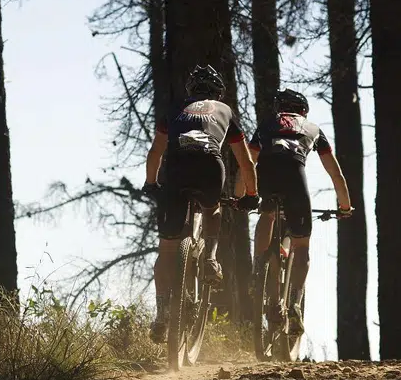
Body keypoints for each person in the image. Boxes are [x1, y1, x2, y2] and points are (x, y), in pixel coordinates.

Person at [142, 65, 259, 343]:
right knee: (213, 207)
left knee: (167, 249)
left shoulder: (173, 109)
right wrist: (251, 195)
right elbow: (245, 162)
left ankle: (161, 314)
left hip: (177, 168)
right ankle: (210, 258)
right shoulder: (225, 111)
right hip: (209, 165)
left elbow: (156, 151)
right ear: (218, 91)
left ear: (190, 91)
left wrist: (151, 184)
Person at [249, 88, 353, 338]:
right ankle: (294, 302)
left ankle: (258, 266)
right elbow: (334, 172)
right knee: (302, 244)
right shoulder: (313, 128)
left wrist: (244, 193)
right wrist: (345, 206)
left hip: (267, 177)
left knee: (268, 215)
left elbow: (250, 161)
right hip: (296, 180)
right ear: (303, 110)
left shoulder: (267, 125)